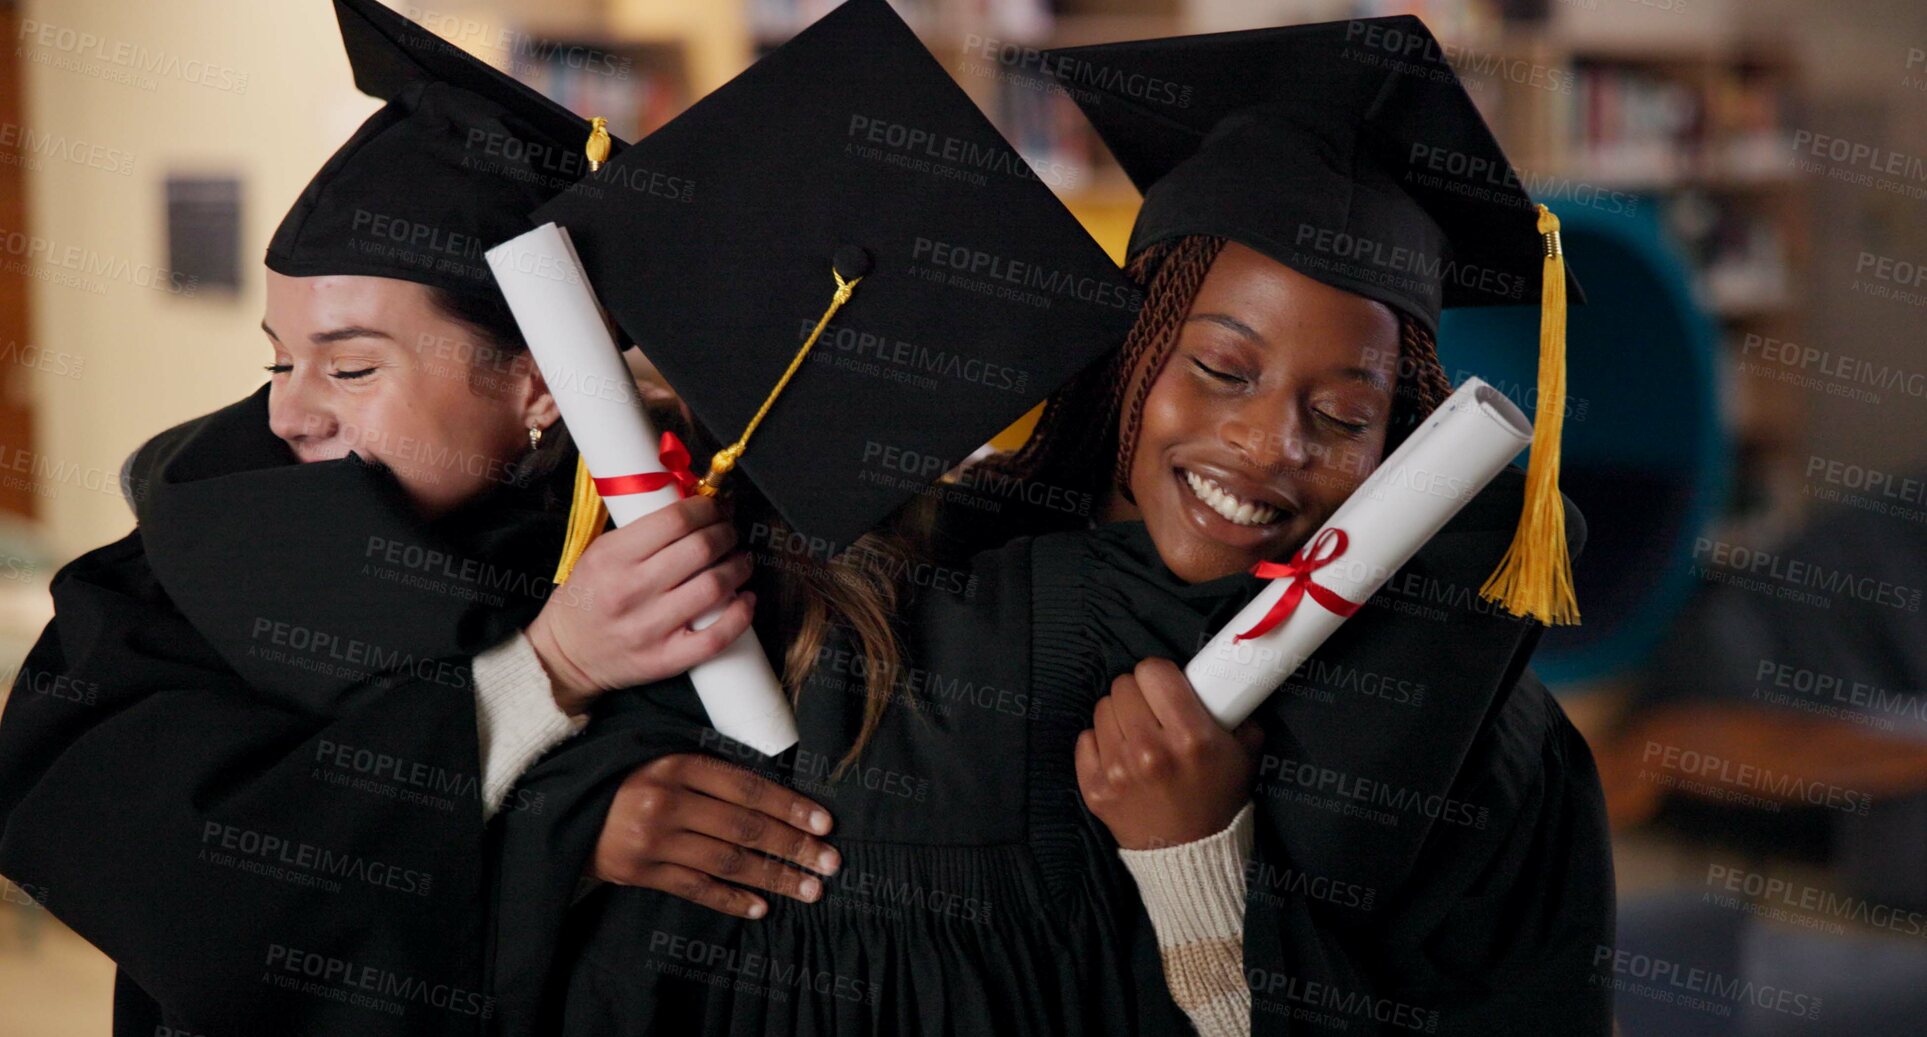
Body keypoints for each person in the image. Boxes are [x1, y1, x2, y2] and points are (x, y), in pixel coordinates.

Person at [488, 8, 1611, 1037]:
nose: (1273, 443)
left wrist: (1197, 866)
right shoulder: (899, 580)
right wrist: (585, 809)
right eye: (1220, 366)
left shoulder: (1458, 726)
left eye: (1346, 413)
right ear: (1132, 355)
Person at [0, 3, 756, 1034]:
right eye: (278, 356)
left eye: (351, 366)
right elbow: (184, 881)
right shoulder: (207, 541)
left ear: (538, 384)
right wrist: (549, 675)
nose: (287, 410)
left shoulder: (676, 531)